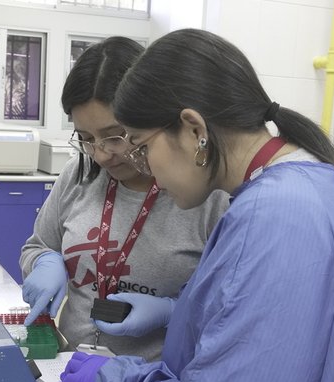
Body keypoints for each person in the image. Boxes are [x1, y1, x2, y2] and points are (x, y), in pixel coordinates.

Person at [58, 28, 334, 382]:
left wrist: (115, 379)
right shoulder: (326, 184)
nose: (145, 169)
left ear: (194, 130)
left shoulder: (273, 216)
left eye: (141, 147)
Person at [19, 36, 229, 361]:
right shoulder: (79, 173)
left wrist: (173, 311)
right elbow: (37, 247)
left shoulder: (206, 196)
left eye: (115, 135)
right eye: (87, 139)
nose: (101, 154)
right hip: (73, 369)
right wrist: (45, 262)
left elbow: (228, 307)